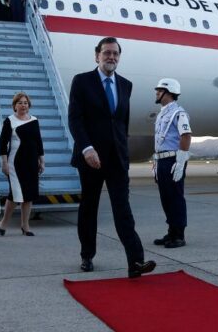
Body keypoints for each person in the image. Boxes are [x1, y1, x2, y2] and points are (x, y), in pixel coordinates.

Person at [68, 36, 156, 278]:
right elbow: (75, 119)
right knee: (89, 207)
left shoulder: (126, 85)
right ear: (97, 56)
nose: (111, 57)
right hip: (90, 158)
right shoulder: (82, 81)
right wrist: (86, 148)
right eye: (107, 53)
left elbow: (121, 123)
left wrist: (125, 153)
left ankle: (136, 262)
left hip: (117, 158)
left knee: (123, 209)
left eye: (115, 53)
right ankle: (87, 255)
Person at [151, 78, 192, 249]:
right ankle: (171, 231)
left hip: (173, 159)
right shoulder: (162, 113)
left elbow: (186, 135)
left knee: (175, 197)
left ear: (169, 93)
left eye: (160, 90)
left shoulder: (178, 113)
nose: (157, 93)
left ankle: (179, 235)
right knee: (166, 198)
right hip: (161, 159)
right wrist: (155, 162)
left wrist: (181, 161)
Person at [0, 92, 44, 236]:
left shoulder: (34, 120)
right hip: (15, 163)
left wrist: (41, 160)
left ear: (28, 105)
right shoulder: (9, 121)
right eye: (20, 103)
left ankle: (25, 225)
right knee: (15, 194)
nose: (23, 105)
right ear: (14, 106)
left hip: (31, 162)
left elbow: (38, 142)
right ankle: (4, 222)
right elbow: (2, 143)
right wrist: (4, 163)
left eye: (25, 103)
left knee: (29, 194)